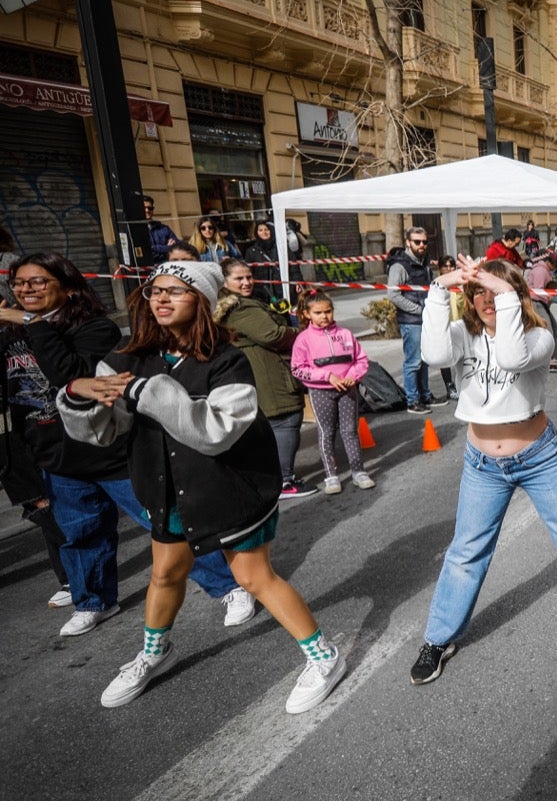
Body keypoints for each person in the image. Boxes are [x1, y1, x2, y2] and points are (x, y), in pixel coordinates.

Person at [60, 261, 346, 712]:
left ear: (203, 301)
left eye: (176, 291)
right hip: (166, 490)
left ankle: (323, 655)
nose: (161, 299)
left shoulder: (228, 361)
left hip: (231, 487)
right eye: (155, 290)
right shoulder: (126, 357)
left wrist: (145, 393)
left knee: (252, 577)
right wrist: (78, 395)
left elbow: (215, 432)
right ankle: (155, 652)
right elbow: (103, 431)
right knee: (165, 573)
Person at [3, 253, 255, 634]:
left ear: (69, 287)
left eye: (37, 281)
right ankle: (94, 601)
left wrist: (32, 323)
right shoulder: (11, 335)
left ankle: (229, 586)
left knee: (172, 525)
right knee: (79, 534)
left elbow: (70, 378)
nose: (26, 290)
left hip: (113, 454)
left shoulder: (94, 329)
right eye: (18, 283)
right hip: (56, 453)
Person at [410, 257, 557, 684]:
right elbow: (433, 353)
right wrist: (441, 285)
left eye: (496, 292)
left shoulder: (539, 337)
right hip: (482, 464)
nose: (486, 301)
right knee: (465, 553)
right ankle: (439, 638)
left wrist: (501, 289)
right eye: (478, 293)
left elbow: (511, 359)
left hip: (539, 457)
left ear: (514, 294)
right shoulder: (463, 334)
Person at [215, 260, 310, 499]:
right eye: (239, 278)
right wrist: (306, 335)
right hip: (267, 372)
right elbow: (272, 334)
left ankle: (277, 477)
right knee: (286, 418)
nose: (246, 282)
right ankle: (284, 481)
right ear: (225, 282)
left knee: (277, 422)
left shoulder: (240, 302)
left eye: (249, 277)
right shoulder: (241, 307)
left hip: (262, 368)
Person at [291, 290, 373, 494]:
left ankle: (358, 471)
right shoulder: (303, 339)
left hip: (348, 390)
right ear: (307, 313)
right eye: (318, 312)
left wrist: (353, 376)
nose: (324, 316)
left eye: (328, 311)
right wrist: (327, 377)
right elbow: (298, 368)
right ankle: (331, 475)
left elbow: (361, 360)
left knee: (350, 431)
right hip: (321, 393)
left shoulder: (345, 334)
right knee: (326, 433)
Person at [387, 227, 439, 414]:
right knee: (413, 361)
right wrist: (418, 310)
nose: (422, 245)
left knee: (424, 359)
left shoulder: (424, 261)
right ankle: (412, 400)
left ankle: (425, 395)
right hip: (411, 321)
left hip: (424, 319)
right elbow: (393, 295)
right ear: (408, 242)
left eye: (424, 242)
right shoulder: (399, 266)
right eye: (417, 242)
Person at [242, 221, 282, 304]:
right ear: (256, 233)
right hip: (261, 291)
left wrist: (298, 283)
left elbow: (293, 268)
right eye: (260, 230)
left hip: (280, 288)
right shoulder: (251, 251)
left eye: (266, 229)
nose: (264, 232)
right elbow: (249, 271)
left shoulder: (281, 248)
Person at [143, 196, 181, 263]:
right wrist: (167, 248)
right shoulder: (135, 230)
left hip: (166, 267)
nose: (147, 210)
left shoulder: (164, 228)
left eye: (150, 208)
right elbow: (145, 251)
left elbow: (177, 246)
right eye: (144, 208)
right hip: (147, 269)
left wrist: (154, 248)